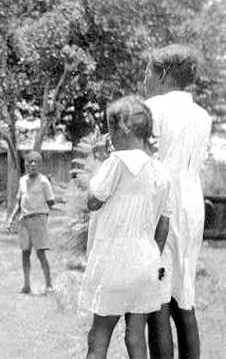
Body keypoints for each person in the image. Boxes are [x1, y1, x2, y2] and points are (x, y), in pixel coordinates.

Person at [79, 96, 172, 359]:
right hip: (146, 263)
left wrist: (101, 163)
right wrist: (152, 259)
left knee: (98, 336)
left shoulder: (116, 163)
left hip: (114, 262)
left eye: (110, 128)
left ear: (123, 130)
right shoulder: (162, 173)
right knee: (135, 337)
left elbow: (93, 201)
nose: (109, 135)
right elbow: (163, 226)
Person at [143, 45, 212, 359]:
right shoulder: (201, 115)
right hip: (192, 210)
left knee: (158, 291)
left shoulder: (153, 108)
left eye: (148, 70)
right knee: (184, 293)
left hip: (163, 213)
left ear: (163, 74)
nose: (145, 77)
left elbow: (145, 163)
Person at [4, 150, 55, 295]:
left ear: (39, 165)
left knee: (40, 253)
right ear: (25, 164)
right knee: (25, 253)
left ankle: (49, 285)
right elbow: (19, 202)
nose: (32, 165)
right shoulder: (22, 181)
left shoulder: (44, 181)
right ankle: (26, 285)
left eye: (36, 162)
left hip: (38, 219)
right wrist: (11, 219)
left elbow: (51, 202)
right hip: (24, 220)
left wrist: (42, 215)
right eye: (29, 162)